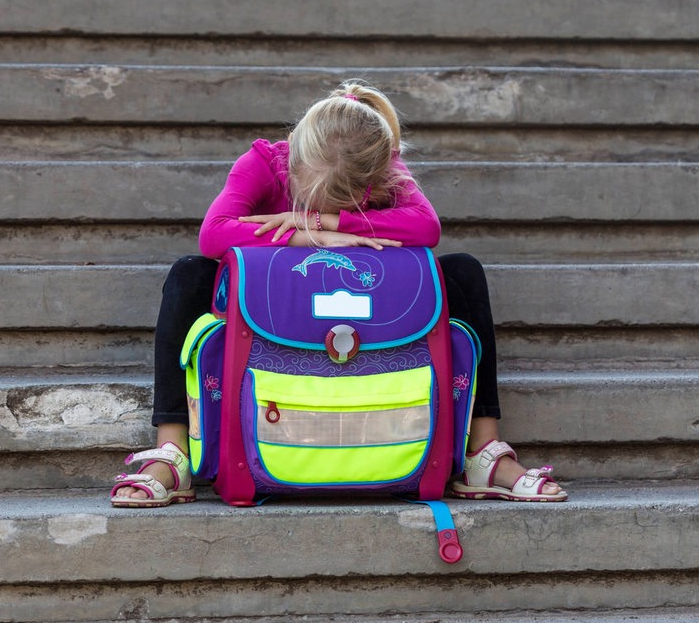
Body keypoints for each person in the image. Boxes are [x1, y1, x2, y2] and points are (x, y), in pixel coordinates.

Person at [111, 79, 566, 507]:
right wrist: (306, 237)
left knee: (463, 272)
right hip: (270, 319)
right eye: (308, 201)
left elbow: (426, 227)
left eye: (336, 202)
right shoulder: (264, 162)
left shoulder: (384, 167)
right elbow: (214, 235)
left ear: (375, 176)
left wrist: (328, 223)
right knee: (189, 274)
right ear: (293, 155)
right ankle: (173, 452)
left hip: (363, 312)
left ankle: (482, 452)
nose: (316, 209)